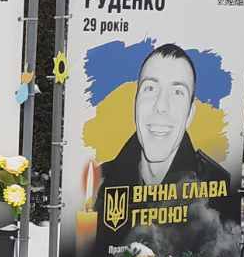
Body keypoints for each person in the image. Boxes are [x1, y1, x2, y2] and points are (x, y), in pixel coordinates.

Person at [98, 43, 232, 192]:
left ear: (190, 114)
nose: (161, 106)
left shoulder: (217, 188)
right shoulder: (97, 184)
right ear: (135, 104)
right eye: (150, 88)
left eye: (177, 92)